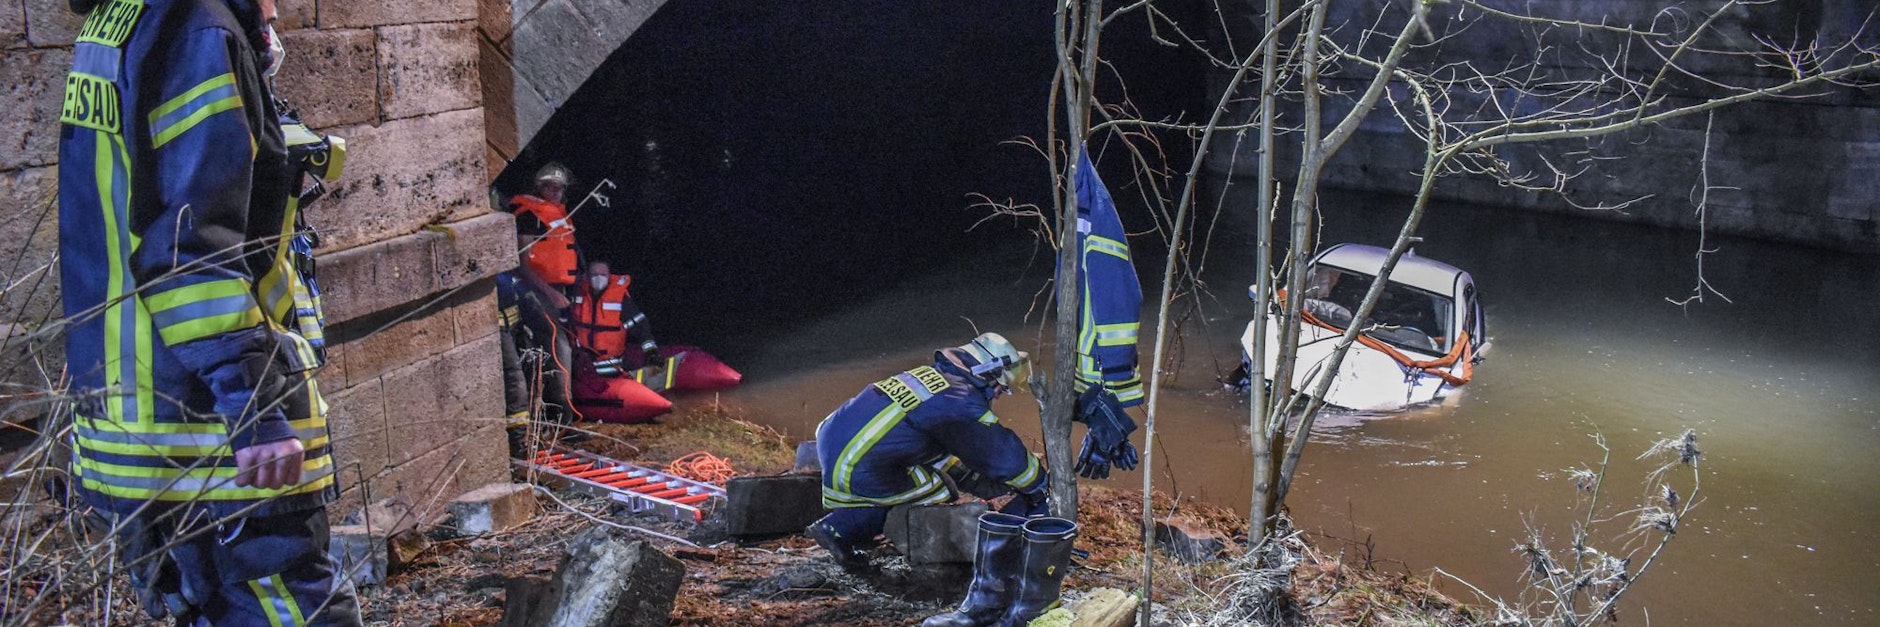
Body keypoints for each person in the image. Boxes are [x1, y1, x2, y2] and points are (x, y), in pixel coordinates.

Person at [56, 0, 360, 623]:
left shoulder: (121, 17)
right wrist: (255, 407)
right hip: (211, 432)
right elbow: (189, 252)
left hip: (133, 417)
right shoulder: (198, 32)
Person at [807, 333, 1050, 564]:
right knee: (940, 488)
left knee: (923, 475)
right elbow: (1001, 454)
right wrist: (1038, 482)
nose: (999, 395)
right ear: (988, 374)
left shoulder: (935, 377)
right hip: (856, 466)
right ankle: (840, 528)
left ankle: (849, 528)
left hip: (836, 445)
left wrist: (975, 476)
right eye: (1001, 387)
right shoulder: (960, 401)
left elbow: (931, 443)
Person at [567, 260, 660, 372]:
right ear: (587, 276)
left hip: (612, 369)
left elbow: (640, 328)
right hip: (581, 367)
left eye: (603, 274)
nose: (599, 278)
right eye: (594, 274)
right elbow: (567, 323)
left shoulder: (620, 299)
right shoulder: (578, 294)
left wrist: (651, 352)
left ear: (609, 276)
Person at [508, 163, 581, 291]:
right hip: (536, 289)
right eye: (549, 186)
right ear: (539, 187)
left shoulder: (562, 217)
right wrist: (552, 295)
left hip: (561, 287)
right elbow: (522, 264)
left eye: (560, 187)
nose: (556, 191)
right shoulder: (529, 215)